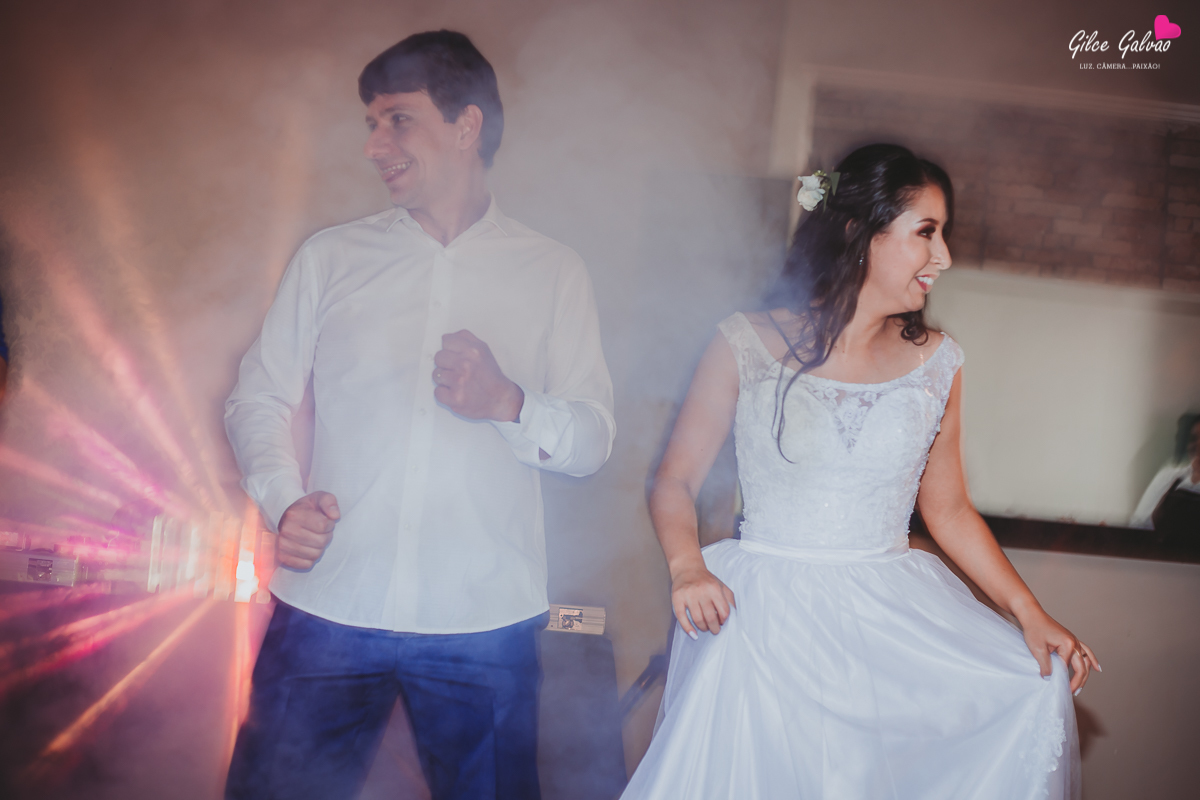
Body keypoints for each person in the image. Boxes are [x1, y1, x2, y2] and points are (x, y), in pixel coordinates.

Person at [622, 144, 1095, 799]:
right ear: (858, 232)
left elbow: (949, 509)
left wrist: (1029, 612)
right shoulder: (744, 342)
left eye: (944, 234)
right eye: (926, 232)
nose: (943, 257)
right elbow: (673, 480)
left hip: (889, 615)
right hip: (764, 617)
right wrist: (686, 568)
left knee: (1021, 692)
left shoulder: (938, 363)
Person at [223, 31, 615, 800]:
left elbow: (593, 441)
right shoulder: (329, 258)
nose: (375, 145)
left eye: (397, 120)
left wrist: (508, 403)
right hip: (327, 609)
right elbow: (257, 397)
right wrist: (282, 500)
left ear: (466, 125)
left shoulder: (553, 271)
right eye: (371, 123)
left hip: (483, 624)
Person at [1130, 412, 1199, 530]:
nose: (1198, 444)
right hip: (1156, 542)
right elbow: (1137, 525)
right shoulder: (1167, 476)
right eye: (1194, 438)